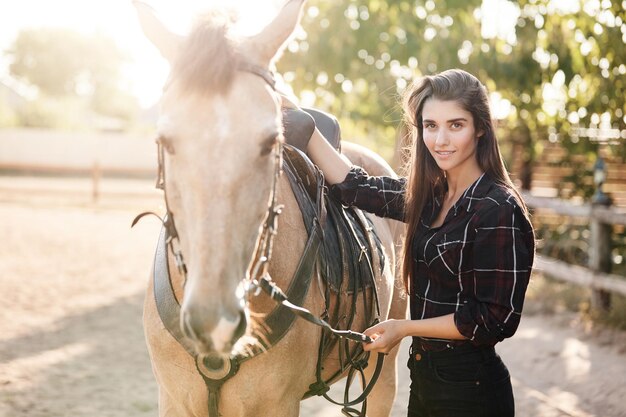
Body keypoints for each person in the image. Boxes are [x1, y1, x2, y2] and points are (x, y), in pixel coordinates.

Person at [289, 68, 535, 417]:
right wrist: (305, 125)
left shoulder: (497, 209)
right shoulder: (431, 197)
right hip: (424, 381)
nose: (440, 140)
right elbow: (357, 187)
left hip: (472, 393)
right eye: (430, 126)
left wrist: (403, 328)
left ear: (480, 128)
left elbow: (491, 318)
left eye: (455, 125)